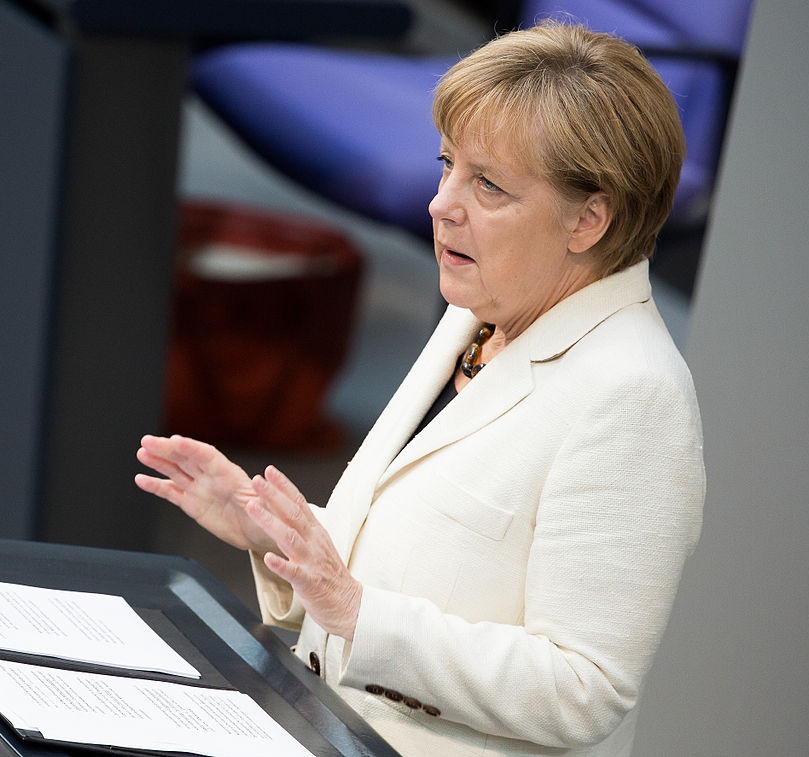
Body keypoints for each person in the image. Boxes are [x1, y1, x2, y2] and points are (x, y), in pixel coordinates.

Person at [135, 20, 703, 757]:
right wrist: (273, 529)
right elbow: (433, 554)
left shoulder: (636, 398)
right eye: (448, 167)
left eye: (489, 185)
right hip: (324, 723)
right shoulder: (479, 306)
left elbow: (583, 687)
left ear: (589, 219)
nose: (441, 205)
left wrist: (355, 612)